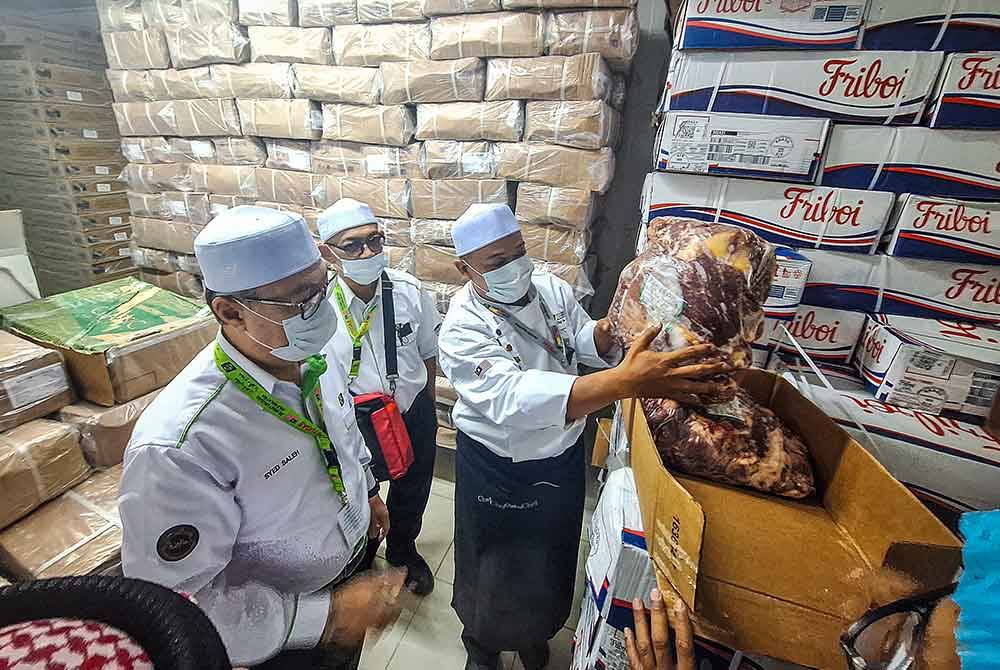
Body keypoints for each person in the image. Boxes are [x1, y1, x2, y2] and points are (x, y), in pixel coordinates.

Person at [437, 204, 731, 670]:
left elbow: (578, 340)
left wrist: (615, 326)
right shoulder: (461, 327)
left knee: (550, 551)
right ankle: (483, 643)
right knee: (491, 559)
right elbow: (511, 397)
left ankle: (536, 633)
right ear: (464, 268)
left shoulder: (549, 289)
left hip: (561, 450)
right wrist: (624, 383)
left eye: (519, 253)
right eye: (497, 263)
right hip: (499, 463)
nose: (516, 267)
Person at [119, 206, 404, 670]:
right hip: (281, 635)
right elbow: (180, 603)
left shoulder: (314, 349)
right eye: (301, 300)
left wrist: (366, 492)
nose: (323, 309)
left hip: (349, 576)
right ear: (231, 312)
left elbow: (342, 430)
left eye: (323, 286)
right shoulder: (182, 444)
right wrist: (326, 616)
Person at [317, 199, 442, 596]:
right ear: (327, 253)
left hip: (410, 411)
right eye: (353, 246)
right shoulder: (320, 311)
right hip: (356, 420)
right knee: (359, 491)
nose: (368, 253)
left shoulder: (408, 291)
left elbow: (427, 352)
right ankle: (363, 554)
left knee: (413, 487)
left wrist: (425, 402)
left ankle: (404, 548)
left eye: (374, 241)